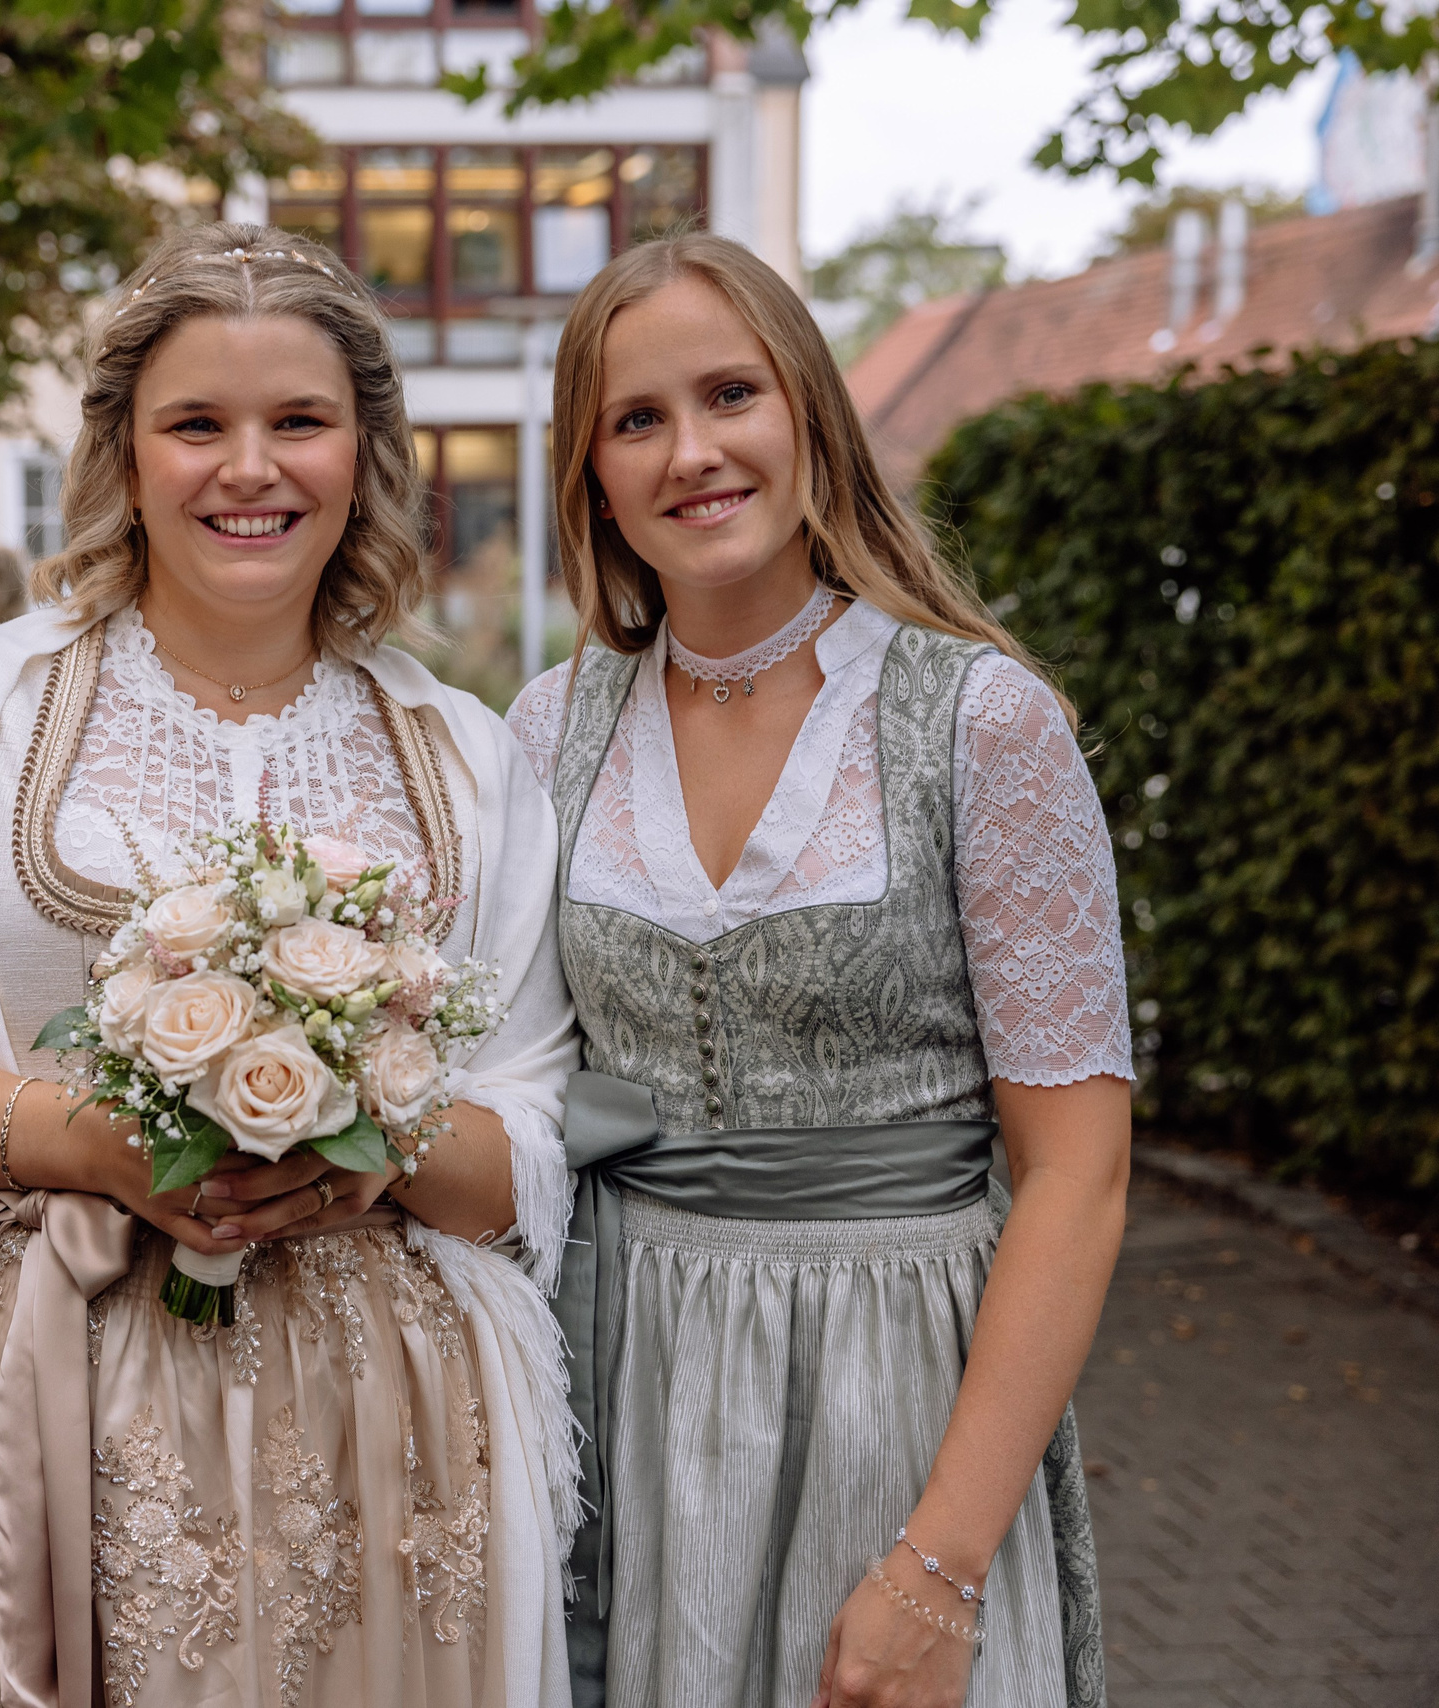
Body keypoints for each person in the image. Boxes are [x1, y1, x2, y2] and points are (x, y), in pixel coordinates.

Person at [0, 222, 584, 1708]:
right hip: (40, 1413)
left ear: (365, 451)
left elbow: (532, 1148)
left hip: (389, 1453)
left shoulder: (467, 760)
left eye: (299, 422)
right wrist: (93, 1145)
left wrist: (370, 1150)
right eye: (197, 425)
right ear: (124, 450)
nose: (251, 469)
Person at [504, 233, 1128, 1708]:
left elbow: (1077, 1177)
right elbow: (515, 1082)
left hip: (901, 1384)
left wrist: (943, 1562)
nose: (694, 452)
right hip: (627, 1377)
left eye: (732, 394)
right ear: (590, 474)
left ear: (809, 415)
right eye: (636, 419)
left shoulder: (979, 721)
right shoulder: (546, 729)